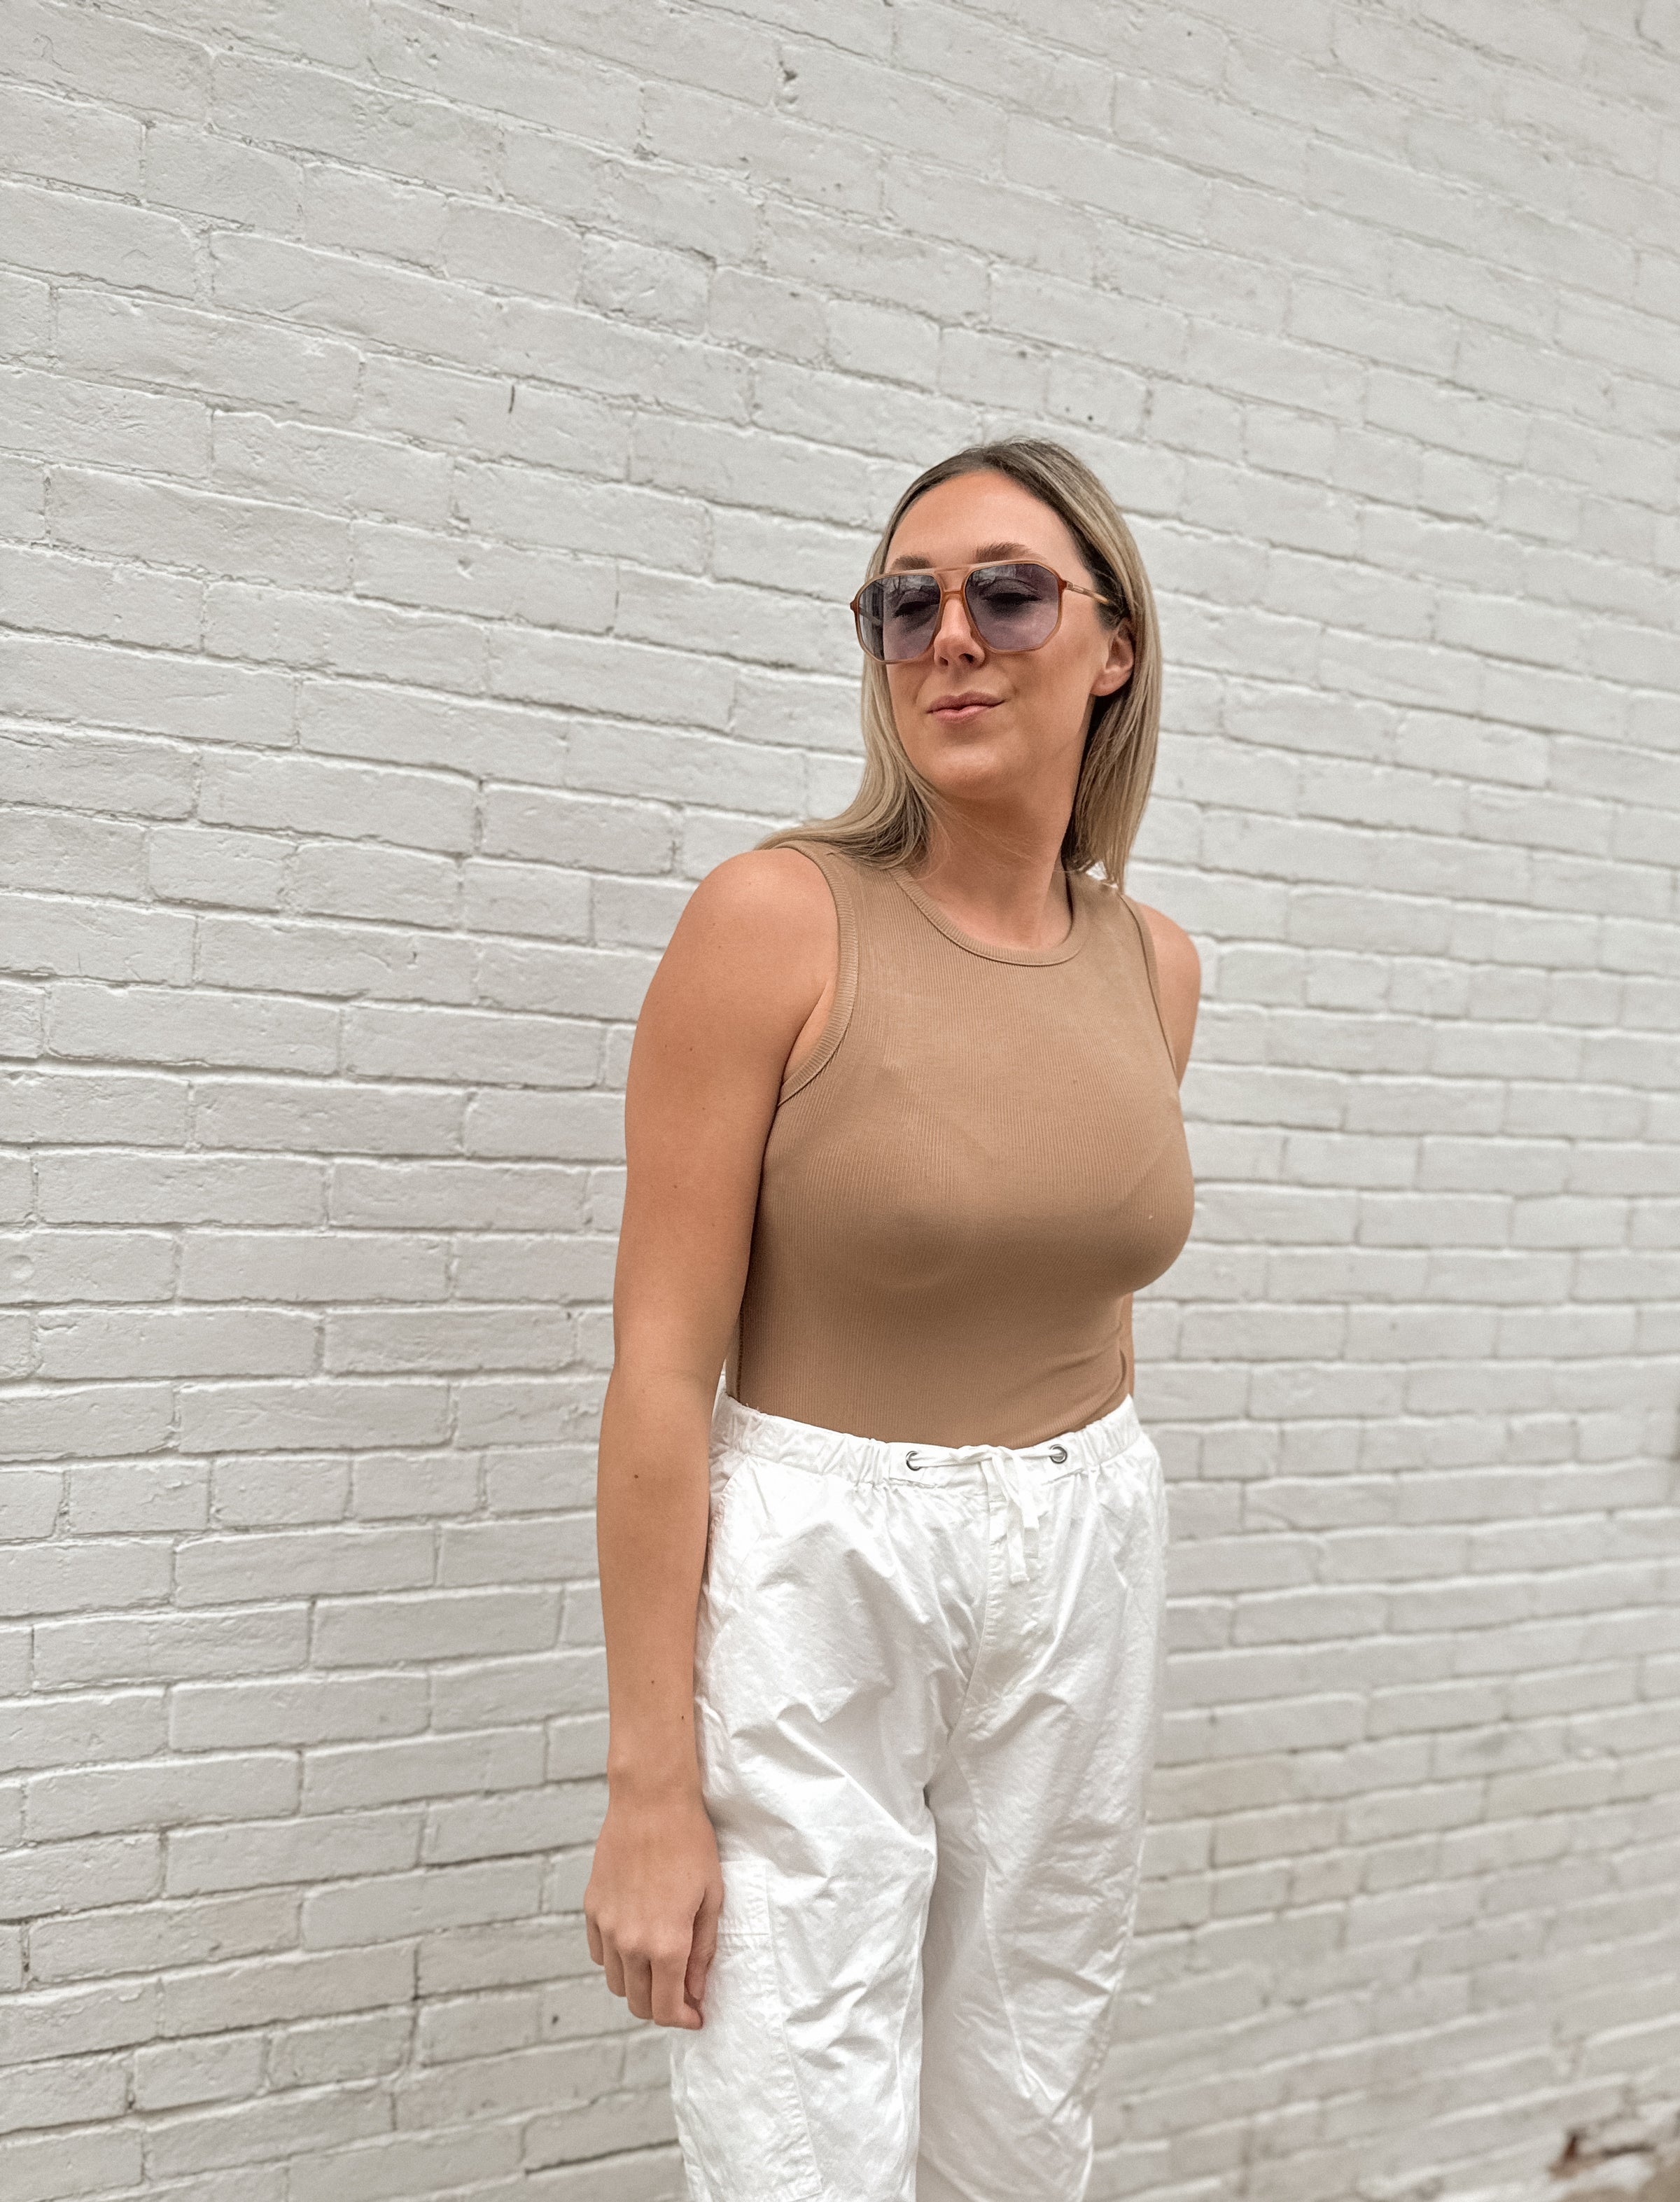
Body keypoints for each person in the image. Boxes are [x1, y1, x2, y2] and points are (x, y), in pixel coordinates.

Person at [583, 438, 1200, 2202]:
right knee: (798, 2128)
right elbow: (658, 1375)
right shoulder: (777, 922)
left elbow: (1072, 1282)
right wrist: (650, 1787)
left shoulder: (1154, 967)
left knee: (1025, 2103)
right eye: (903, 605)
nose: (951, 639)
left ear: (1114, 644)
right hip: (820, 1566)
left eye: (1006, 593)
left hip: (1081, 1551)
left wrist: (1070, 1522)